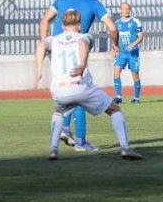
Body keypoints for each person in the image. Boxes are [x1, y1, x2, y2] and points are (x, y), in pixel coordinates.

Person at [35, 10, 141, 161]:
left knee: (58, 112)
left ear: (62, 25)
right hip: (81, 86)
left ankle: (53, 150)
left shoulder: (53, 39)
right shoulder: (85, 36)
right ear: (79, 25)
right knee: (114, 109)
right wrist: (83, 64)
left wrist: (39, 70)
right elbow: (83, 44)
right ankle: (125, 148)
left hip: (60, 88)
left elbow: (40, 45)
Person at [39, 0, 119, 152]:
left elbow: (44, 21)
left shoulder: (61, 0)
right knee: (81, 92)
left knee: (67, 91)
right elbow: (112, 28)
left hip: (57, 50)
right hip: (77, 49)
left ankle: (65, 129)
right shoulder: (94, 3)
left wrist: (45, 44)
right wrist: (115, 45)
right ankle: (80, 141)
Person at [113, 2, 144, 104]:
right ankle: (118, 97)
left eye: (127, 9)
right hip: (122, 53)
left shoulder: (136, 22)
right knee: (116, 72)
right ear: (120, 10)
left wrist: (133, 44)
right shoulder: (117, 23)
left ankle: (136, 98)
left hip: (133, 53)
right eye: (124, 9)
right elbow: (116, 37)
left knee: (135, 74)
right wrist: (114, 47)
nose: (126, 11)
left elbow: (140, 37)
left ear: (130, 10)